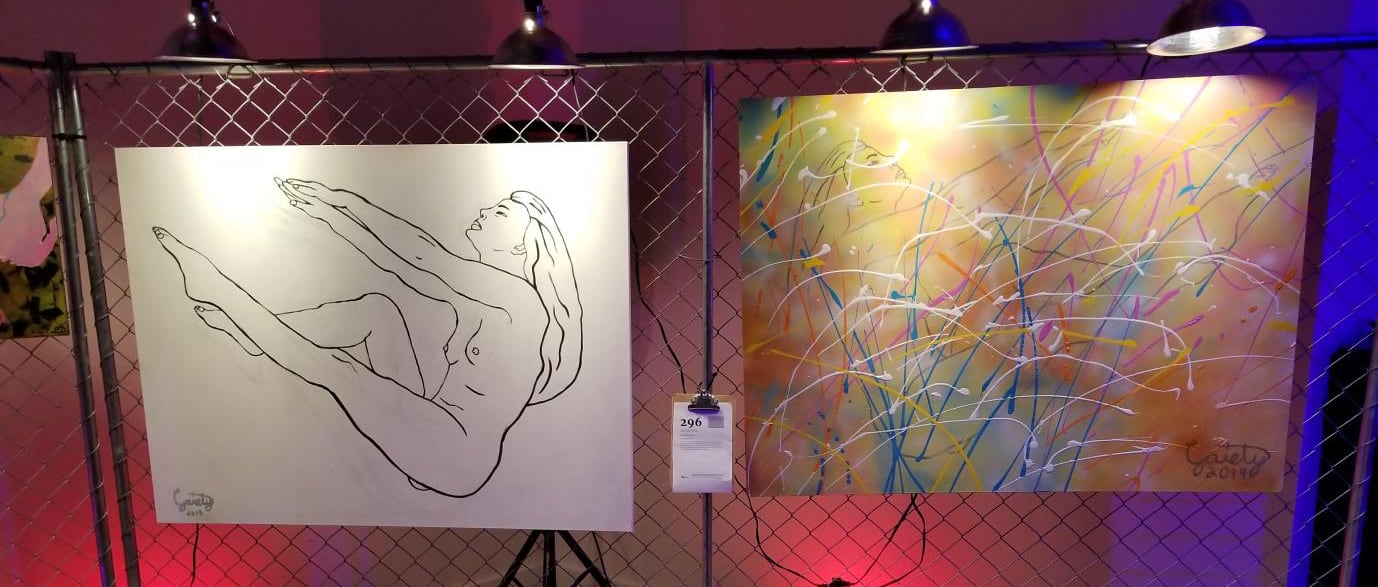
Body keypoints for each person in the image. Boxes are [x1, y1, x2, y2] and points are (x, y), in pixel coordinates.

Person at [152, 178, 583, 498]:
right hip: (430, 422)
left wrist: (343, 203)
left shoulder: (516, 299)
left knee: (341, 370)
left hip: (455, 450)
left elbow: (422, 254)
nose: (486, 211)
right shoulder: (480, 297)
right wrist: (332, 213)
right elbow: (398, 263)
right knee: (377, 311)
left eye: (501, 215)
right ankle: (254, 333)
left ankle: (229, 299)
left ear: (520, 248)